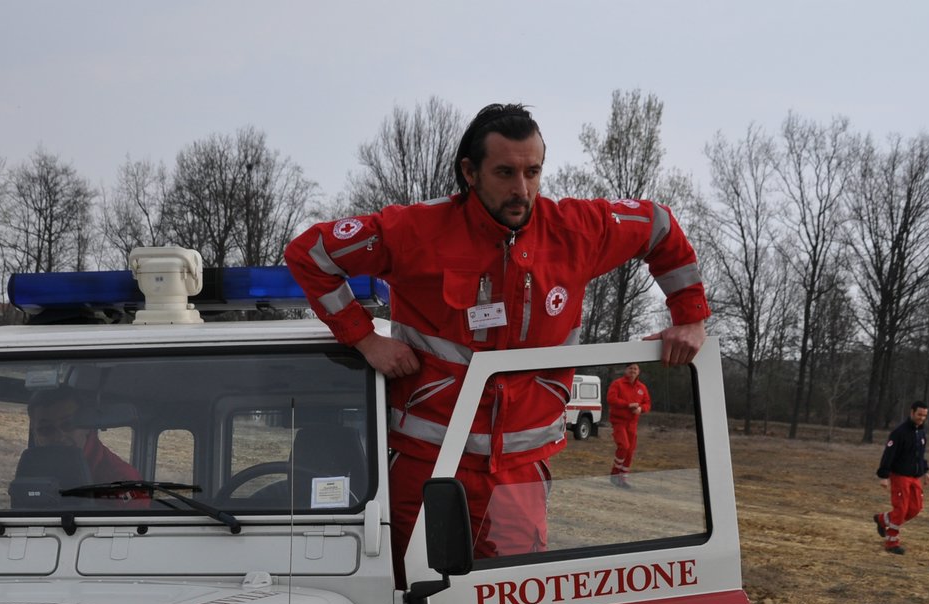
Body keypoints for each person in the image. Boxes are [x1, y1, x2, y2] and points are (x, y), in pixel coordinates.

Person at [285, 102, 710, 564]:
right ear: (470, 171)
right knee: (415, 600)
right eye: (505, 172)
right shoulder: (416, 231)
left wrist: (688, 316)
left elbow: (661, 228)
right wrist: (365, 339)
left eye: (533, 172)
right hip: (426, 462)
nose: (521, 190)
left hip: (519, 475)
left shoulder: (577, 231)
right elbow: (311, 254)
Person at [25, 386, 143, 493]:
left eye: (69, 424)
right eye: (46, 429)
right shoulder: (30, 469)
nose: (59, 437)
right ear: (35, 434)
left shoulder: (123, 479)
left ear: (87, 428)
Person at [874, 401, 929, 555]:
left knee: (914, 509)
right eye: (919, 414)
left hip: (914, 477)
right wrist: (884, 476)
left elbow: (920, 455)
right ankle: (891, 543)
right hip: (899, 476)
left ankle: (883, 519)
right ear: (912, 412)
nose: (921, 418)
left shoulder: (921, 433)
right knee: (901, 509)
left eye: (924, 416)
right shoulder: (899, 432)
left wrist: (925, 471)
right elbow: (888, 454)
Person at [605, 363, 651, 488]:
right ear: (625, 370)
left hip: (633, 423)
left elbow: (647, 403)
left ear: (639, 371)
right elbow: (611, 399)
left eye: (635, 368)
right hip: (619, 421)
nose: (633, 370)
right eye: (630, 368)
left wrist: (641, 409)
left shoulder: (642, 387)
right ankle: (615, 474)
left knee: (630, 451)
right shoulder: (617, 384)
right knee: (624, 446)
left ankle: (622, 479)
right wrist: (628, 404)